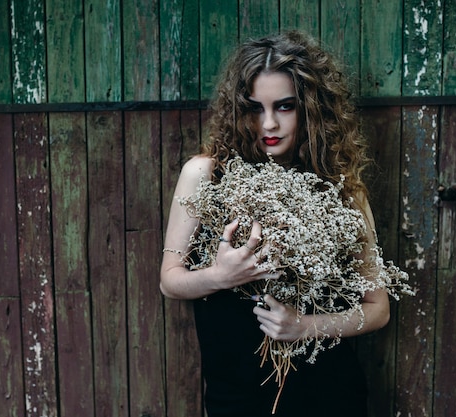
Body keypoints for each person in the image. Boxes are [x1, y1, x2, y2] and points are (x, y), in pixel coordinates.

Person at [160, 30, 390, 417]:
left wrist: (304, 326)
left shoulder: (342, 189)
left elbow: (378, 308)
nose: (269, 124)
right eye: (254, 108)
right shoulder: (205, 174)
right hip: (235, 396)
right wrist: (221, 276)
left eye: (285, 107)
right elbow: (169, 280)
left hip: (329, 394)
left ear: (311, 108)